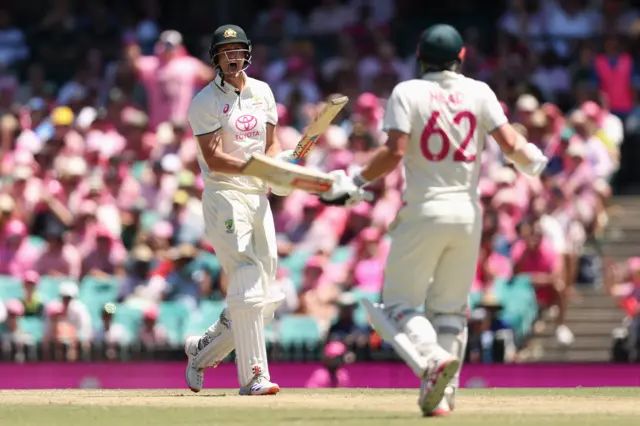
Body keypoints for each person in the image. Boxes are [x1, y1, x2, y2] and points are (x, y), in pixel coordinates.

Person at [319, 24, 548, 416]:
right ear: (461, 58)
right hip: (467, 213)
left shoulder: (407, 92)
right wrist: (534, 163)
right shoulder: (479, 91)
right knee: (451, 311)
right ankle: (443, 395)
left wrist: (354, 182)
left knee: (396, 305)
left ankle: (429, 359)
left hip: (424, 208)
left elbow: (394, 151)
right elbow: (513, 145)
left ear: (420, 58)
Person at [183, 24, 296, 396]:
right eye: (225, 51)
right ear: (215, 58)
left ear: (247, 52)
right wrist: (258, 167)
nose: (232, 56)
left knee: (265, 299)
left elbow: (272, 143)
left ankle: (201, 352)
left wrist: (280, 167)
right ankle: (253, 377)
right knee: (246, 277)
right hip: (224, 193)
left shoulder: (263, 91)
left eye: (238, 50)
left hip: (257, 196)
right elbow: (214, 159)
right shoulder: (204, 102)